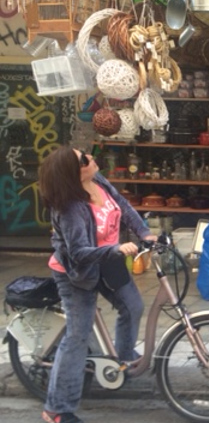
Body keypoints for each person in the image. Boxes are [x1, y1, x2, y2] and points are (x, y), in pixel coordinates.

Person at [37, 146, 156, 423]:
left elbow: (123, 208)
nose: (90, 158)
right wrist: (115, 250)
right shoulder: (69, 208)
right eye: (83, 159)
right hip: (76, 273)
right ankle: (56, 408)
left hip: (107, 261)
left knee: (133, 306)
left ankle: (123, 360)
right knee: (78, 336)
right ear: (73, 172)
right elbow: (78, 252)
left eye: (86, 154)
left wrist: (145, 233)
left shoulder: (98, 181)